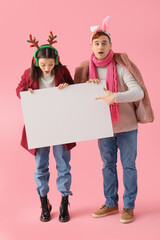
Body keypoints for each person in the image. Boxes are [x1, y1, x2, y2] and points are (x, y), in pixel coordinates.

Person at [74, 16, 154, 223]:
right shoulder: (86, 71)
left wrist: (115, 96)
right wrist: (82, 89)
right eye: (97, 43)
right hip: (103, 128)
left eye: (104, 43)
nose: (100, 46)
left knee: (128, 166)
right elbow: (78, 98)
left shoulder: (120, 68)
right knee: (107, 166)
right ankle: (110, 203)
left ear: (111, 45)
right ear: (91, 46)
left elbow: (139, 93)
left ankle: (128, 206)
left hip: (126, 127)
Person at [16, 32, 76, 222]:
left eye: (51, 64)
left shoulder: (62, 70)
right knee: (41, 166)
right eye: (43, 65)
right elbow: (18, 90)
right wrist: (27, 92)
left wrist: (67, 86)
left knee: (63, 165)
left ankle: (64, 201)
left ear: (56, 61)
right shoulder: (29, 73)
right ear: (36, 62)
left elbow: (74, 89)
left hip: (60, 125)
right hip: (39, 125)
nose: (48, 68)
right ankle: (44, 203)